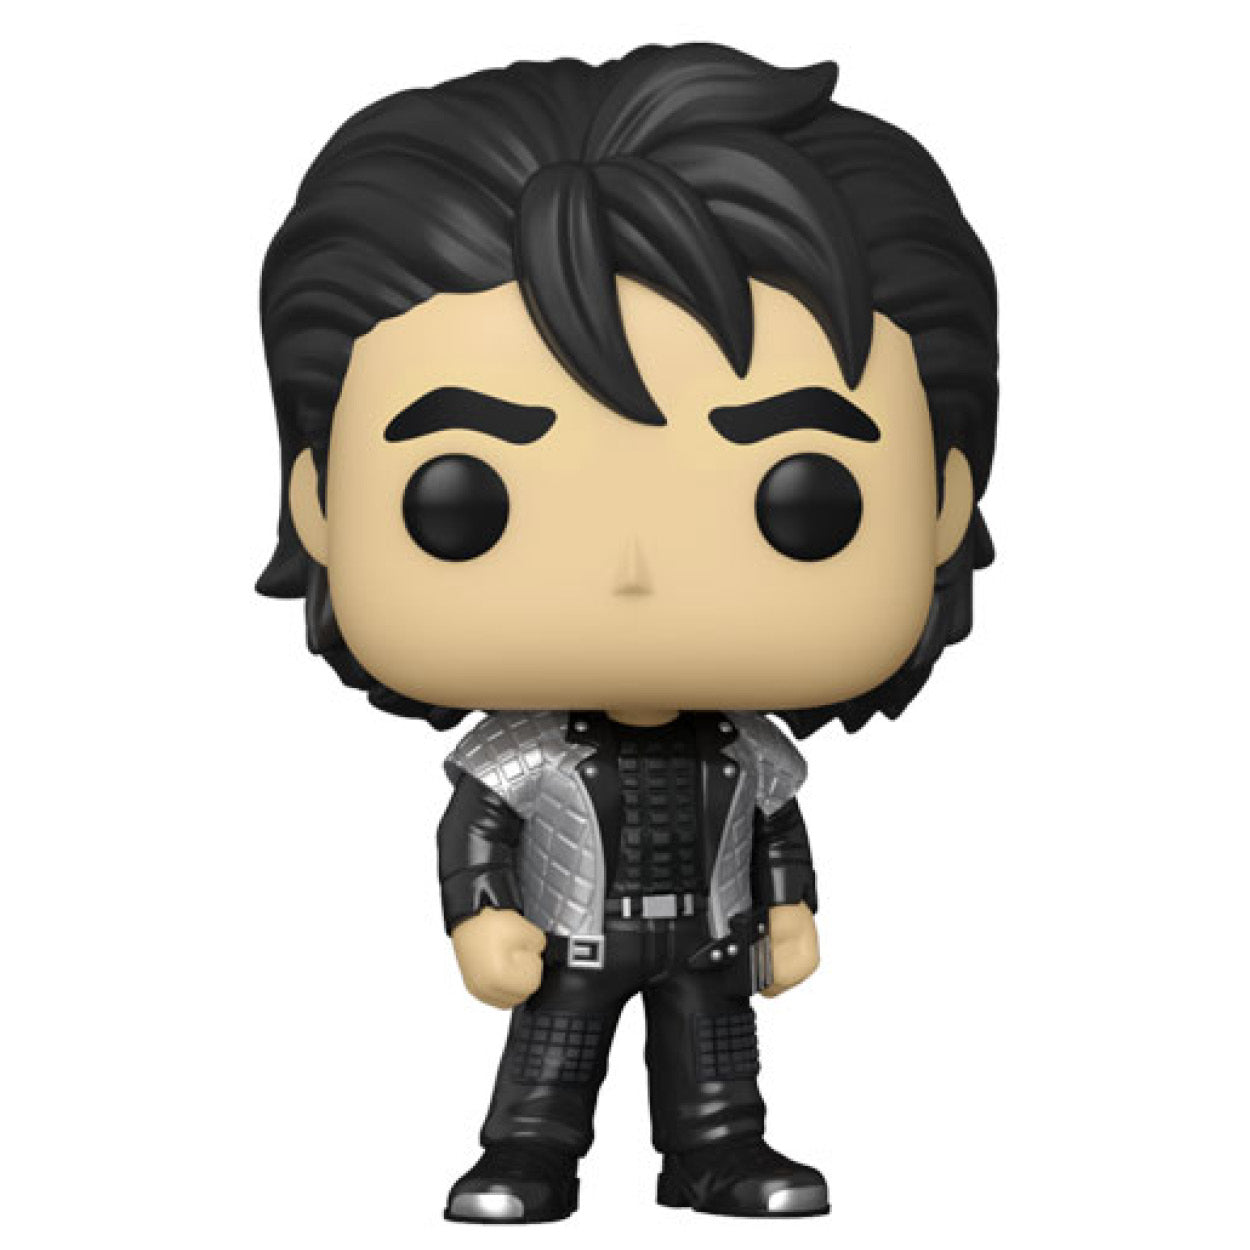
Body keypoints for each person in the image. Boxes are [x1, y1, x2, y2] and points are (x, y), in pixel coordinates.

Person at [257, 42, 998, 1222]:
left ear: (942, 503)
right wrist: (480, 914)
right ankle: (527, 1155)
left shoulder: (746, 751)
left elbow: (774, 828)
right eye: (463, 500)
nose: (632, 575)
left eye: (801, 499)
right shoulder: (522, 751)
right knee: (551, 1061)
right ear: (320, 502)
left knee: (717, 1063)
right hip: (574, 939)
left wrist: (791, 906)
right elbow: (474, 828)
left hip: (707, 939)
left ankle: (715, 1152)